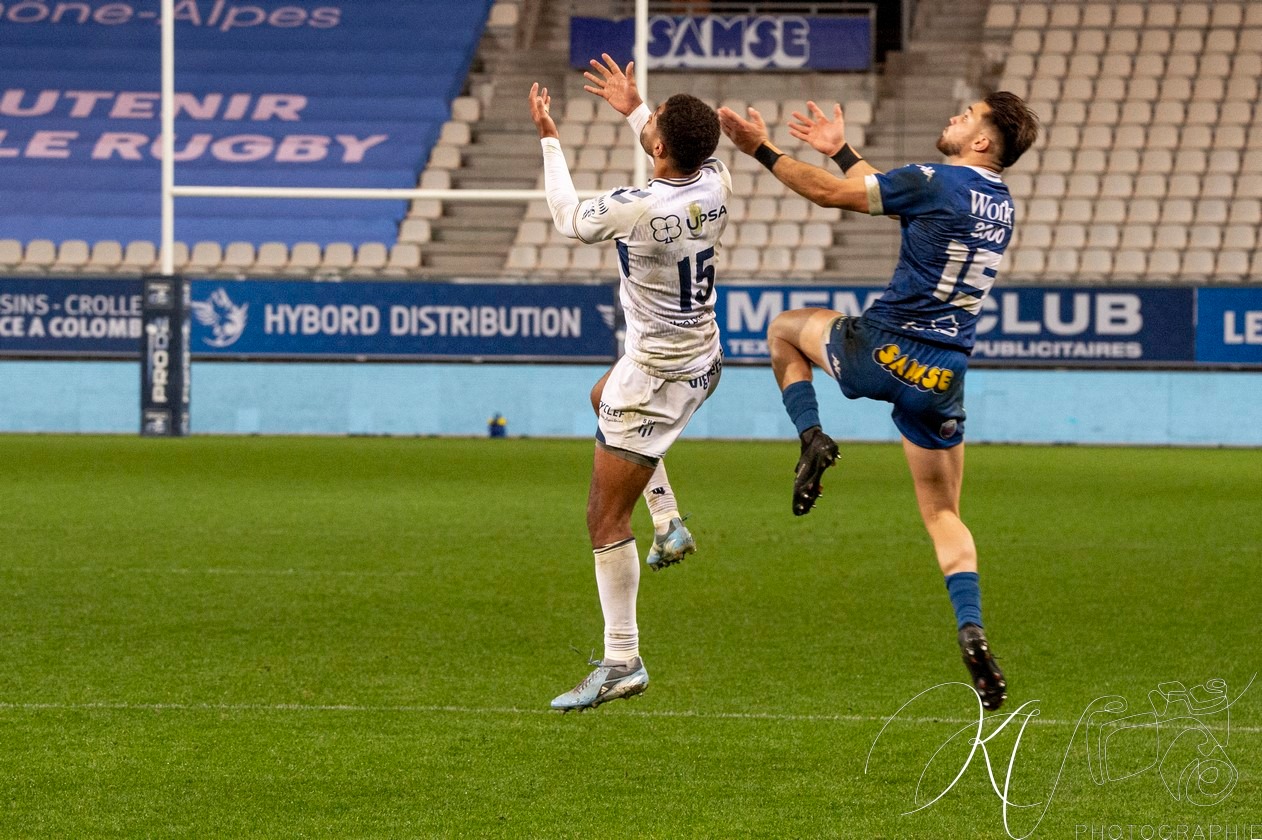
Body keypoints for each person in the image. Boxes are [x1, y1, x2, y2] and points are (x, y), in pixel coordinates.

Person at [717, 93, 1039, 711]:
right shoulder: (999, 204)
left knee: (784, 328)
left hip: (883, 350)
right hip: (942, 375)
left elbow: (830, 196)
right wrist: (840, 150)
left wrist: (759, 148)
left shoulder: (937, 181)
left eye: (967, 115)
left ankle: (811, 436)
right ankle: (971, 628)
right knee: (943, 512)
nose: (954, 117)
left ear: (982, 142)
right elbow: (884, 191)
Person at [530, 54, 731, 711]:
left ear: (661, 147)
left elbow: (566, 217)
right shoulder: (717, 181)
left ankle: (623, 660)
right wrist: (638, 111)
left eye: (655, 127)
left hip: (656, 378)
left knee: (602, 517)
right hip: (702, 359)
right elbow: (678, 145)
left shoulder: (636, 208)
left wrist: (549, 138)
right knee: (600, 397)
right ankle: (669, 520)